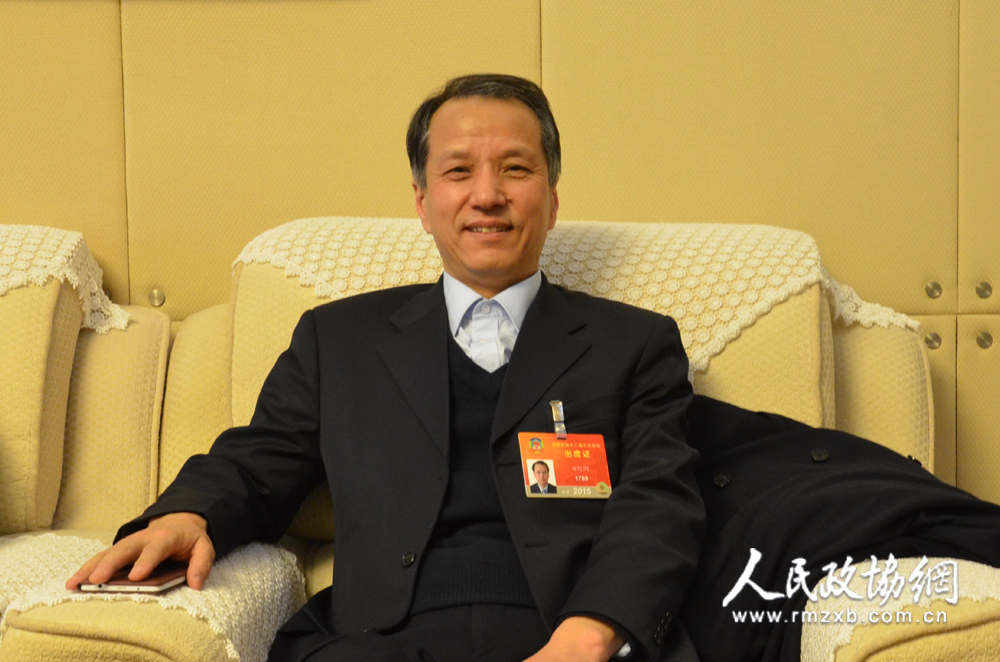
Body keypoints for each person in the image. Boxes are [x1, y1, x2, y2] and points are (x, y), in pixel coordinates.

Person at [69, 74, 704, 662]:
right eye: (459, 171)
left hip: (567, 635)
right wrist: (191, 516)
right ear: (423, 203)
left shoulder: (634, 344)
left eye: (516, 169)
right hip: (380, 641)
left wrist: (590, 636)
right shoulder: (339, 339)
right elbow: (258, 461)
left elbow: (660, 503)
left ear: (553, 198)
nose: (488, 195)